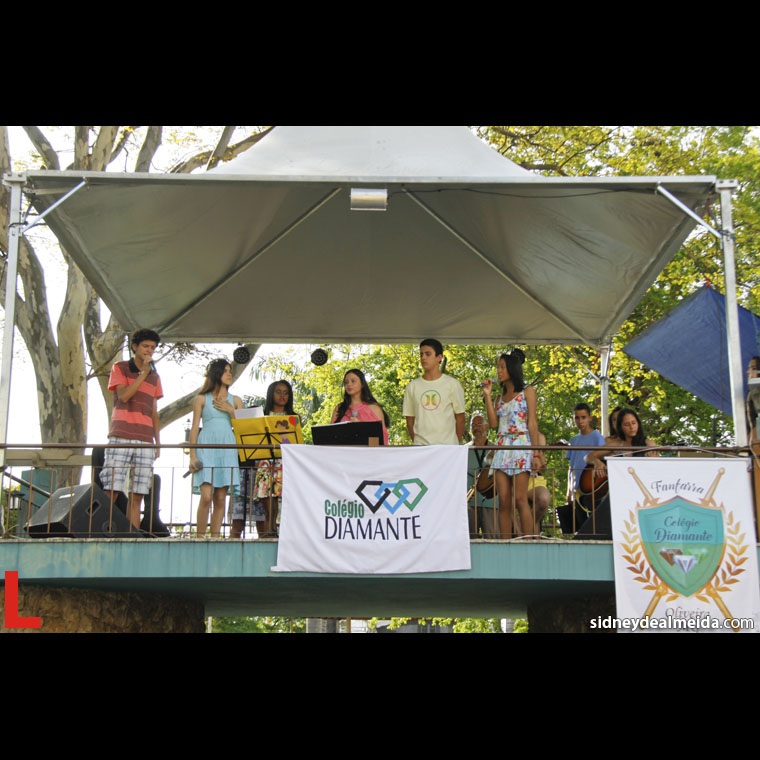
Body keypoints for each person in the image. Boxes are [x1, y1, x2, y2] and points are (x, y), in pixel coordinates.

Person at [101, 328, 163, 531]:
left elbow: (154, 412)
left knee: (138, 493)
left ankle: (133, 536)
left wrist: (157, 442)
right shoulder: (120, 368)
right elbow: (124, 396)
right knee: (112, 488)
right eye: (145, 346)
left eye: (153, 347)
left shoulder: (155, 377)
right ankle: (104, 532)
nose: (149, 350)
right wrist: (143, 374)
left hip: (145, 439)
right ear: (135, 347)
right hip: (121, 435)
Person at [481, 350, 539, 539]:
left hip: (521, 445)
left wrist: (537, 453)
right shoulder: (499, 397)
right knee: (504, 501)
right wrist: (488, 396)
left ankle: (528, 541)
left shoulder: (527, 391)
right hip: (502, 446)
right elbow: (493, 424)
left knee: (520, 499)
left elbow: (532, 423)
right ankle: (505, 544)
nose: (498, 371)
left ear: (512, 369)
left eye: (502, 367)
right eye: (498, 367)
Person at [582, 407, 658, 538]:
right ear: (620, 427)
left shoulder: (649, 444)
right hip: (619, 493)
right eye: (627, 424)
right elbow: (588, 457)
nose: (631, 427)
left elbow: (657, 471)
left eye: (634, 423)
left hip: (641, 494)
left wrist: (654, 460)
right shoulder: (616, 444)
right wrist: (597, 462)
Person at [189, 359, 242, 538]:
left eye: (230, 371)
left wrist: (231, 411)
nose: (229, 374)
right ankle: (199, 537)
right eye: (225, 371)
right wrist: (192, 456)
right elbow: (194, 427)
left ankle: (215, 539)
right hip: (206, 446)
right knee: (206, 496)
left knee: (220, 498)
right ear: (216, 373)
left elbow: (243, 428)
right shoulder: (201, 398)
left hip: (227, 448)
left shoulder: (236, 400)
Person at [403, 339, 466, 446]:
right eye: (421, 354)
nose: (423, 358)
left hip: (448, 447)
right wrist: (418, 444)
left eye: (428, 354)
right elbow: (409, 421)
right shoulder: (412, 387)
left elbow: (460, 418)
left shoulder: (452, 384)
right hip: (421, 448)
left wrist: (454, 444)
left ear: (439, 357)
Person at [253, 380, 295, 538]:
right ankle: (269, 531)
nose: (282, 395)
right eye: (278, 392)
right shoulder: (261, 416)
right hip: (265, 461)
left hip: (285, 462)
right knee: (267, 498)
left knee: (284, 498)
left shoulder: (293, 417)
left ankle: (285, 534)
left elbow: (294, 442)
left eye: (286, 392)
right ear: (271, 394)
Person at [557, 403, 606, 534]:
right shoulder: (573, 440)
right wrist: (569, 490)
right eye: (577, 418)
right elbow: (571, 466)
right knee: (580, 527)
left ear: (590, 418)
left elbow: (601, 460)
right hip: (576, 489)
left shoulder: (597, 437)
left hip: (592, 487)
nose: (580, 421)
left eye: (583, 417)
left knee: (594, 524)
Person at [331, 369, 390, 445]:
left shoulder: (374, 408)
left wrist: (361, 428)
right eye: (346, 382)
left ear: (362, 384)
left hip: (367, 452)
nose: (349, 384)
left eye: (353, 381)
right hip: (342, 451)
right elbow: (331, 436)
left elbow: (381, 441)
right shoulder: (339, 408)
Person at [466, 414, 498, 539]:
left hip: (491, 502)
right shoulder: (463, 450)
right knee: (469, 542)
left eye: (479, 424)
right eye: (473, 425)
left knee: (494, 540)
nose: (476, 428)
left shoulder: (496, 449)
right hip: (469, 503)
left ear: (486, 427)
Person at [525, 431, 551, 536]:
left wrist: (540, 459)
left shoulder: (540, 437)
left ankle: (529, 530)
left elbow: (543, 469)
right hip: (515, 480)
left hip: (535, 480)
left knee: (543, 499)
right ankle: (523, 534)